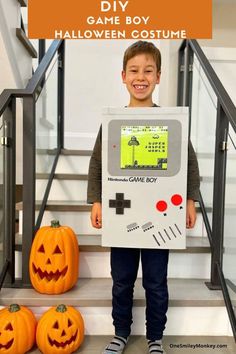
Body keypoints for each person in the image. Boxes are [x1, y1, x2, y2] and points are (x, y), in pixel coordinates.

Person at [87, 41, 200, 354]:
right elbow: (98, 162)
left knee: (155, 282)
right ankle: (121, 333)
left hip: (158, 221)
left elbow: (187, 161)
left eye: (148, 71)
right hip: (122, 218)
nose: (141, 77)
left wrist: (189, 200)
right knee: (121, 279)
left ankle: (155, 338)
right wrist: (96, 200)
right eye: (134, 71)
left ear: (159, 76)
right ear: (123, 76)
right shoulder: (112, 122)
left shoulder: (170, 121)